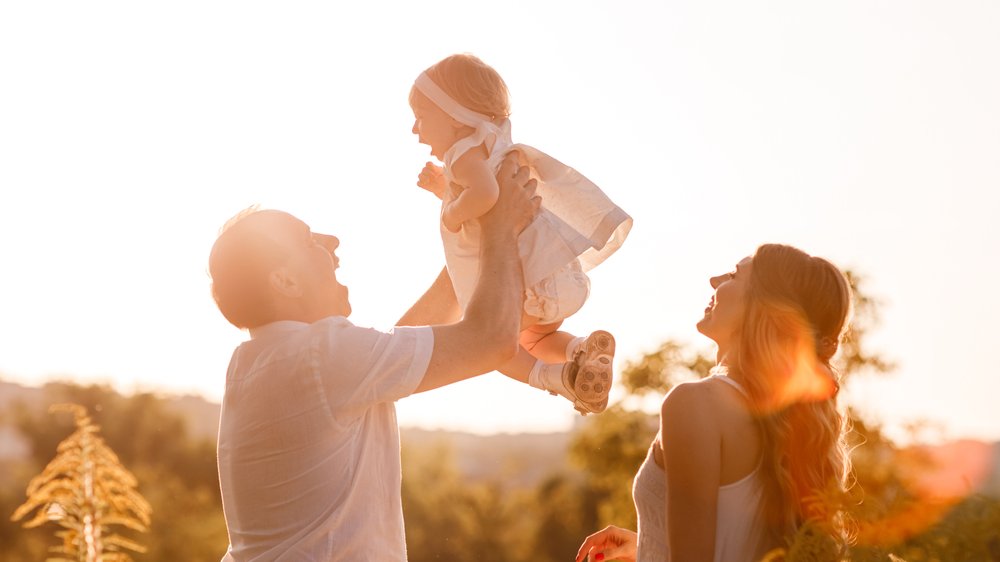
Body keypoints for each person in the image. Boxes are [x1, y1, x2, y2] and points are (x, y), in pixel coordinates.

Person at [208, 155, 541, 561]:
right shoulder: (324, 357)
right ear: (285, 280)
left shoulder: (255, 363)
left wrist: (467, 253)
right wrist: (498, 225)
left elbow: (394, 353)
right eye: (309, 240)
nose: (332, 241)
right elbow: (491, 340)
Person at [575, 244, 853, 562]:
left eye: (734, 274)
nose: (714, 279)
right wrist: (650, 545)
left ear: (763, 307)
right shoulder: (785, 418)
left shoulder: (695, 405)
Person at [409, 53, 633, 415]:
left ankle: (552, 377)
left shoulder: (461, 155)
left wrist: (450, 213)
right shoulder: (492, 147)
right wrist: (445, 191)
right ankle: (579, 350)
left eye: (421, 117)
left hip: (523, 286)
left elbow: (485, 196)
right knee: (537, 336)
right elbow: (481, 194)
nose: (415, 130)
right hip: (555, 279)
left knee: (488, 344)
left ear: (453, 116)